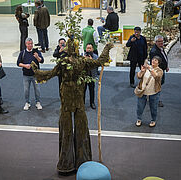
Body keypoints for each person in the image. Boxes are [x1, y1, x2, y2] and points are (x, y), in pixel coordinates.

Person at [31, 36, 113, 173]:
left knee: (66, 132)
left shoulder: (64, 63)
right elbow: (100, 61)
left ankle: (66, 164)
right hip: (77, 101)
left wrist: (36, 71)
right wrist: (106, 48)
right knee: (81, 131)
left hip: (68, 102)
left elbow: (48, 74)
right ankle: (83, 163)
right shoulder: (83, 61)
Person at [135, 56, 163, 128]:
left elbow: (156, 77)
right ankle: (139, 119)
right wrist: (142, 71)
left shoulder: (160, 71)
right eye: (153, 59)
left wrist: (150, 69)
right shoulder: (146, 67)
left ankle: (153, 120)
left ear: (158, 63)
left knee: (153, 107)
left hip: (154, 92)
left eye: (156, 60)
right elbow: (138, 76)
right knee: (140, 106)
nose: (153, 61)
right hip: (143, 91)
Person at [17, 37, 44, 110]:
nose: (30, 45)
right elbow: (18, 63)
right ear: (26, 44)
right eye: (29, 44)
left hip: (35, 74)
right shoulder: (22, 53)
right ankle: (27, 102)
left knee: (37, 89)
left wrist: (37, 57)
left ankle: (38, 102)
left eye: (31, 44)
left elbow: (42, 61)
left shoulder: (36, 52)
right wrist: (25, 66)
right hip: (26, 75)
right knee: (26, 90)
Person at [149, 35, 169, 107]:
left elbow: (164, 58)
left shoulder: (160, 48)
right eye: (159, 41)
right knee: (157, 86)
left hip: (162, 70)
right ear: (156, 42)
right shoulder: (154, 51)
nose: (161, 43)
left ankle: (153, 98)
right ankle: (155, 100)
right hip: (158, 72)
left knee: (160, 84)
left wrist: (166, 66)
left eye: (162, 41)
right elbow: (154, 63)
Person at [83, 43, 98, 109]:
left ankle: (92, 103)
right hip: (83, 76)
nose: (88, 49)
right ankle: (82, 103)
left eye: (90, 48)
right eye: (87, 48)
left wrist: (91, 60)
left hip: (92, 76)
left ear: (93, 49)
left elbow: (97, 66)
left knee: (92, 90)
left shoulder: (95, 56)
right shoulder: (82, 56)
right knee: (83, 90)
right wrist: (84, 60)